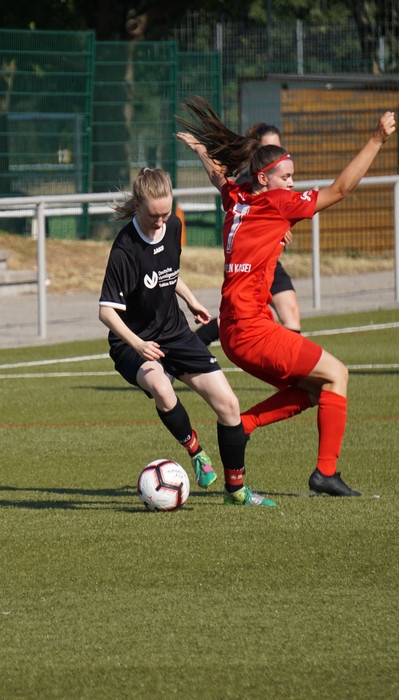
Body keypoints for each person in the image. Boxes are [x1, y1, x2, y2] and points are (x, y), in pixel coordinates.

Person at [177, 96, 397, 497]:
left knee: (317, 389)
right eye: (287, 177)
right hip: (252, 330)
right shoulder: (276, 203)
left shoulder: (239, 199)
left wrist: (203, 152)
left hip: (233, 334)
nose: (292, 184)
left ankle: (242, 428)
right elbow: (342, 189)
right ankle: (323, 473)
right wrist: (377, 139)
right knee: (338, 374)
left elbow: (219, 179)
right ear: (265, 179)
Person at [99, 167, 273, 506]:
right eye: (154, 215)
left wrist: (191, 301)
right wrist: (138, 344)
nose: (162, 221)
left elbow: (169, 274)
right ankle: (195, 451)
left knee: (229, 405)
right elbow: (106, 312)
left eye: (167, 212)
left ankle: (236, 491)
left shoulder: (172, 226)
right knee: (162, 387)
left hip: (174, 333)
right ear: (137, 206)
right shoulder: (124, 249)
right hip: (132, 344)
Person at [195, 121, 302, 346]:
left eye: (279, 147)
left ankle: (290, 374)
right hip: (250, 265)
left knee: (291, 313)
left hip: (269, 261)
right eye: (270, 147)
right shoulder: (249, 185)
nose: (279, 155)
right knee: (237, 319)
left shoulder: (281, 182)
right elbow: (244, 209)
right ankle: (192, 345)